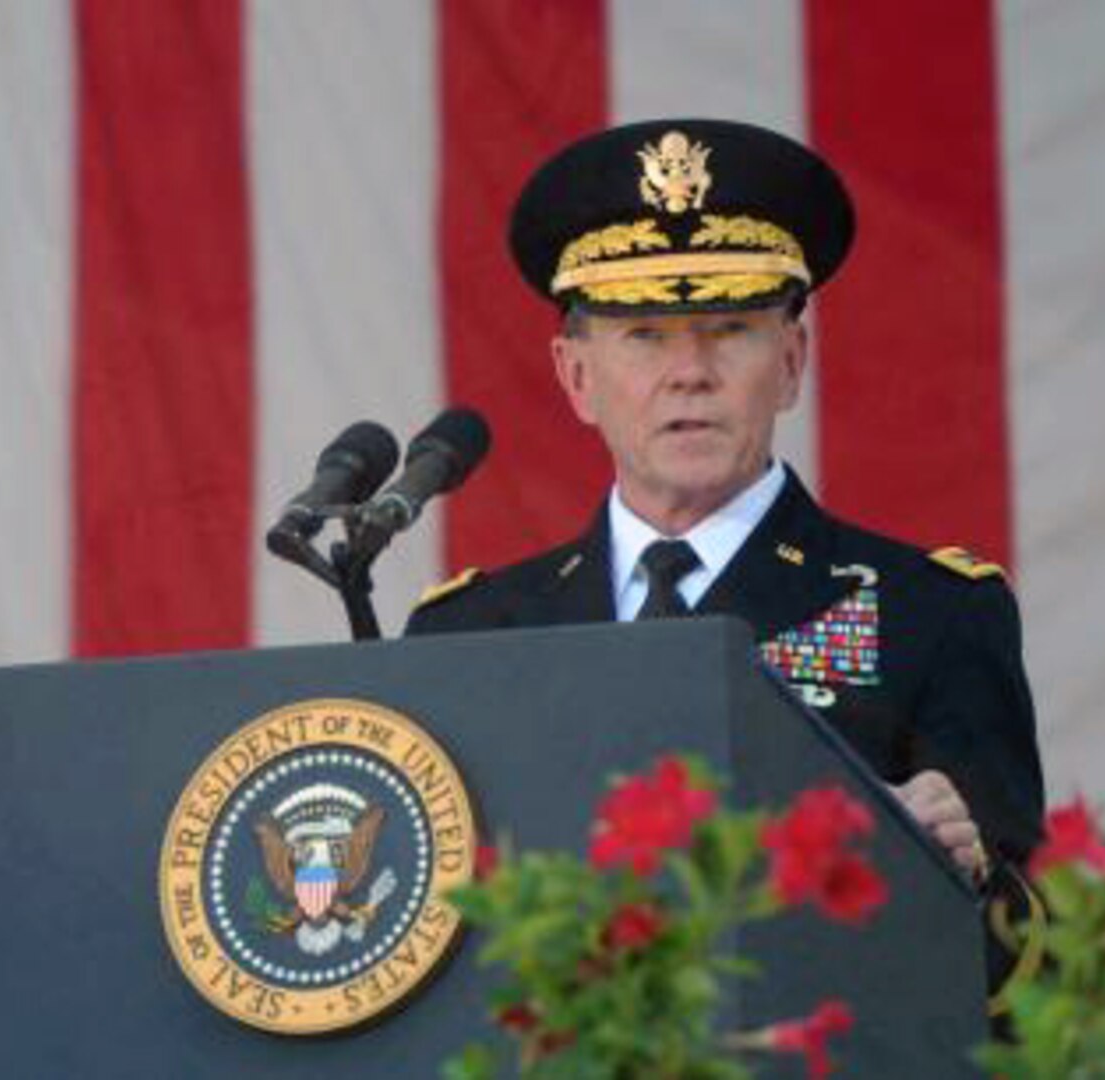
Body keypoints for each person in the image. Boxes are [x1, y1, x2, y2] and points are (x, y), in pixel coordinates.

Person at [405, 118, 1044, 1002]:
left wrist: (946, 880)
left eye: (730, 328)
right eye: (644, 335)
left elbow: (1022, 969)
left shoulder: (931, 613)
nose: (691, 372)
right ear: (575, 377)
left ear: (790, 362)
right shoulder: (467, 632)